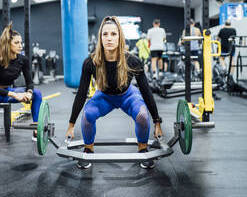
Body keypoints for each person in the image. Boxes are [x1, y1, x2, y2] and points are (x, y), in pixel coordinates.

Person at [65, 16, 170, 170]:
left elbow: (146, 91)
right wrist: (71, 125)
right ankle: (89, 149)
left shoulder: (132, 61)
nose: (109, 38)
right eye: (105, 34)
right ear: (100, 38)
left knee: (141, 114)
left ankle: (142, 148)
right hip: (104, 97)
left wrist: (157, 121)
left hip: (128, 96)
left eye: (113, 34)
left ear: (120, 36)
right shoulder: (91, 62)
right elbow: (81, 94)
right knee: (88, 115)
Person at [0, 22, 42, 155]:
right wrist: (14, 95)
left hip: (7, 92)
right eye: (17, 43)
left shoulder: (23, 60)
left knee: (37, 93)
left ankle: (37, 130)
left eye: (21, 42)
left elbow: (30, 82)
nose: (20, 46)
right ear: (8, 44)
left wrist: (29, 92)